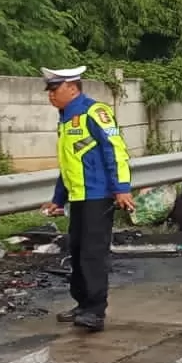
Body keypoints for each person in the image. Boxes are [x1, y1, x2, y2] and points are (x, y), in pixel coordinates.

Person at [39, 67, 134, 332]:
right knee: (77, 250)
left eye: (55, 90)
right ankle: (82, 304)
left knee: (93, 254)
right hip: (78, 197)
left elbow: (115, 150)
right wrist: (58, 199)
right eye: (49, 91)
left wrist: (121, 188)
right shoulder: (66, 119)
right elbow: (68, 165)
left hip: (99, 195)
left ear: (72, 87)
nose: (51, 96)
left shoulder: (95, 112)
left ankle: (95, 311)